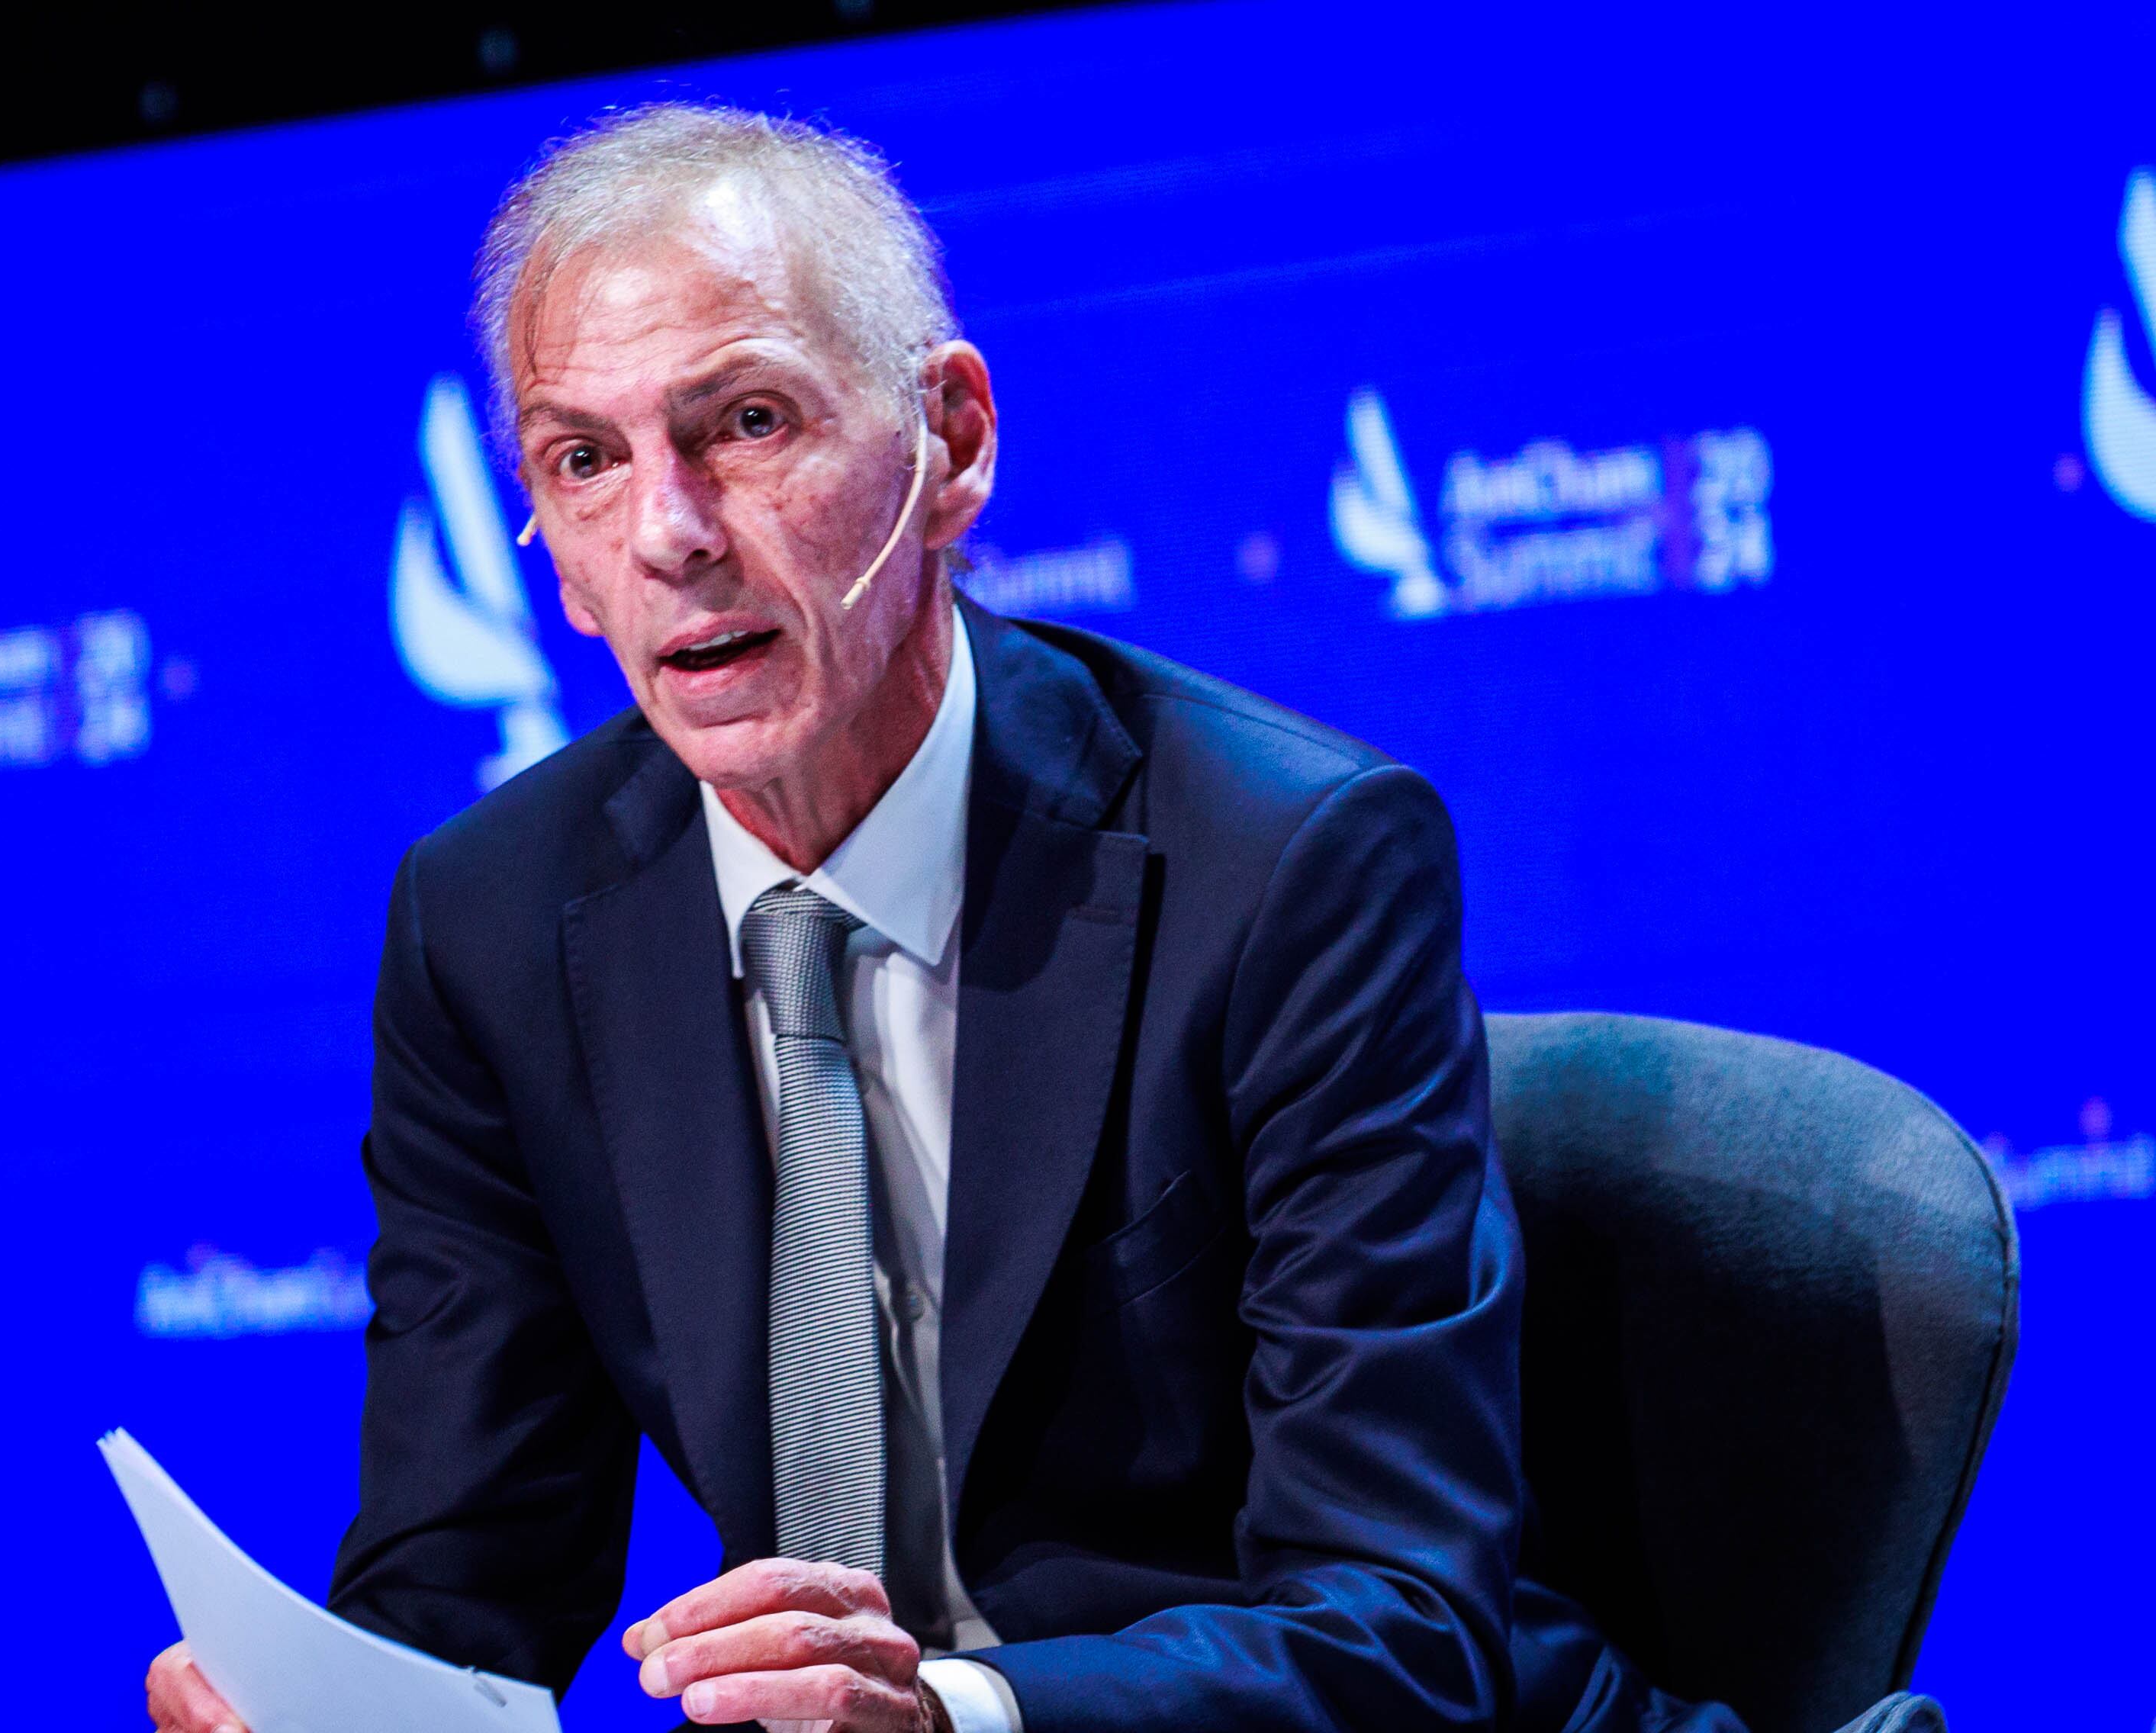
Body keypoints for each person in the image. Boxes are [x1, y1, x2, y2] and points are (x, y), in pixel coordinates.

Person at [147, 104, 1744, 1733]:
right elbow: (464, 1583)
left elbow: (1405, 1623)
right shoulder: (489, 923)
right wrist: (333, 1707)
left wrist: (955, 1714)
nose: (670, 531)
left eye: (747, 421)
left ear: (950, 443)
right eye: (585, 460)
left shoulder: (1287, 865)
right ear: (550, 557)